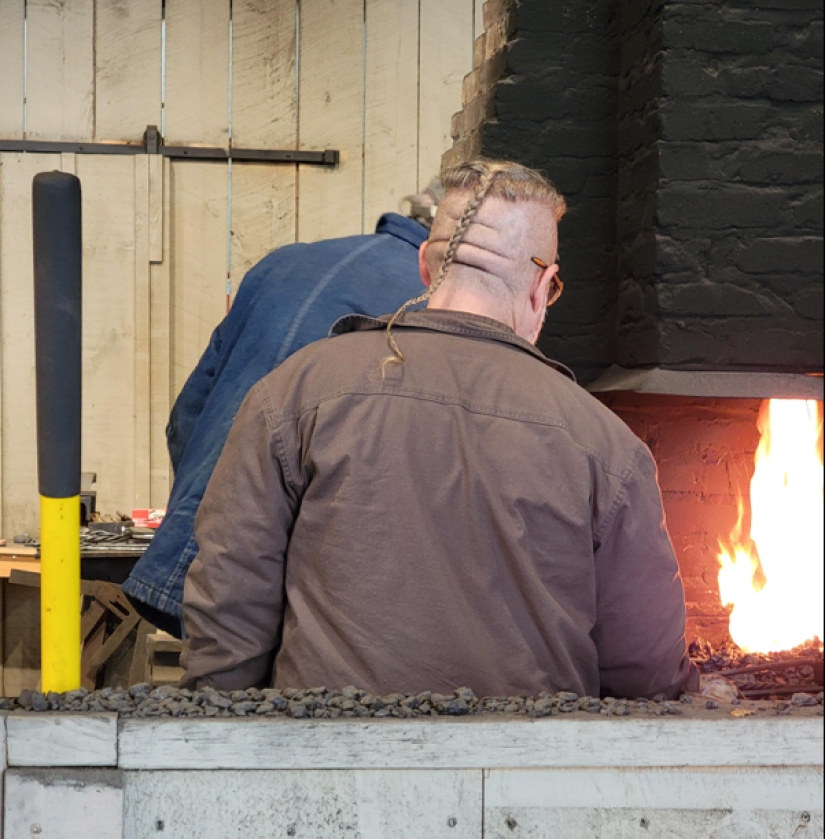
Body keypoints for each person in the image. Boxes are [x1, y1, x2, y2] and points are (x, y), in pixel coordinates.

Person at [179, 158, 696, 700]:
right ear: (542, 286)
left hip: (330, 768)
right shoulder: (608, 447)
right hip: (529, 776)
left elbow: (228, 608)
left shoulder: (297, 389)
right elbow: (648, 677)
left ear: (425, 266)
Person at [122, 196, 441, 636]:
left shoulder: (285, 263)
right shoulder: (433, 306)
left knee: (218, 694)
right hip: (303, 588)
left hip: (203, 553)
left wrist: (202, 507)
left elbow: (187, 414)